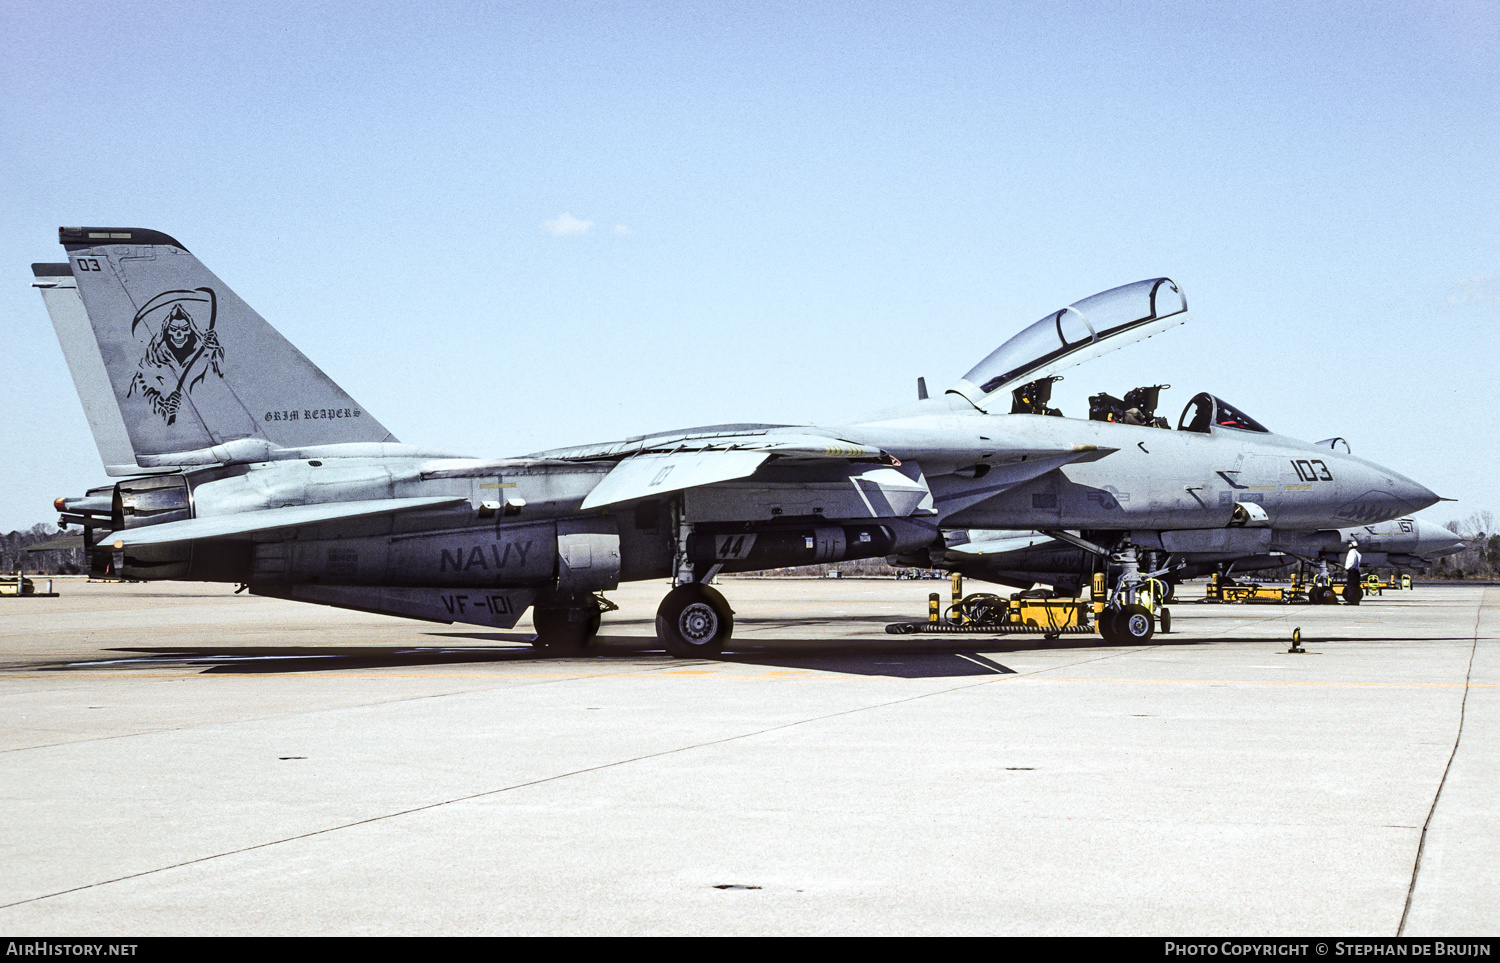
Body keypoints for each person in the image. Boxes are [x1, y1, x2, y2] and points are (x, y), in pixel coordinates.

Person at [1344, 538, 1363, 605]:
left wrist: (1347, 568)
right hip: (1356, 571)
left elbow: (1351, 561)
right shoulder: (1357, 553)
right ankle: (1356, 600)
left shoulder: (1351, 552)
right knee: (1356, 586)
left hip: (1352, 571)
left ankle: (1351, 600)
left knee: (1350, 586)